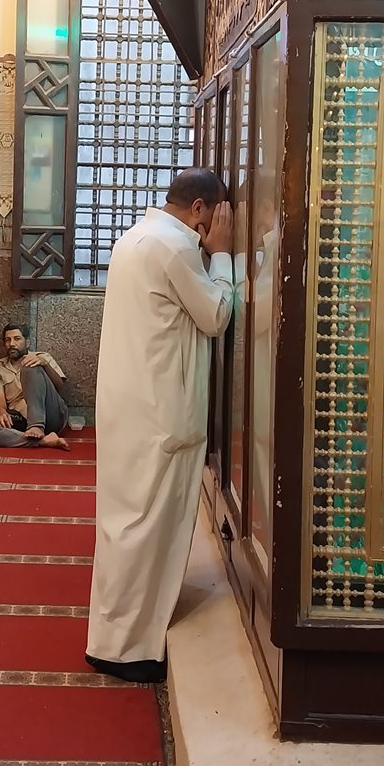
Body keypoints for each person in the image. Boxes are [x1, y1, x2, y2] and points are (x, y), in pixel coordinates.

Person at [86, 168, 234, 684]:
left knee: (125, 521)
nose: (215, 227)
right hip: (161, 410)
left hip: (131, 404)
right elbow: (216, 315)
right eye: (216, 216)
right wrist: (223, 256)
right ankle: (127, 650)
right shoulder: (175, 246)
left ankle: (113, 636)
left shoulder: (135, 237)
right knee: (148, 526)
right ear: (200, 209)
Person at [0, 324, 69, 450]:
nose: (12, 344)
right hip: (20, 418)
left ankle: (37, 425)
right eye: (8, 340)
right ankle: (42, 441)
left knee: (29, 367)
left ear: (27, 342)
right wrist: (1, 412)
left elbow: (60, 385)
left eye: (17, 339)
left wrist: (45, 364)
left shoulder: (42, 358)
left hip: (51, 414)